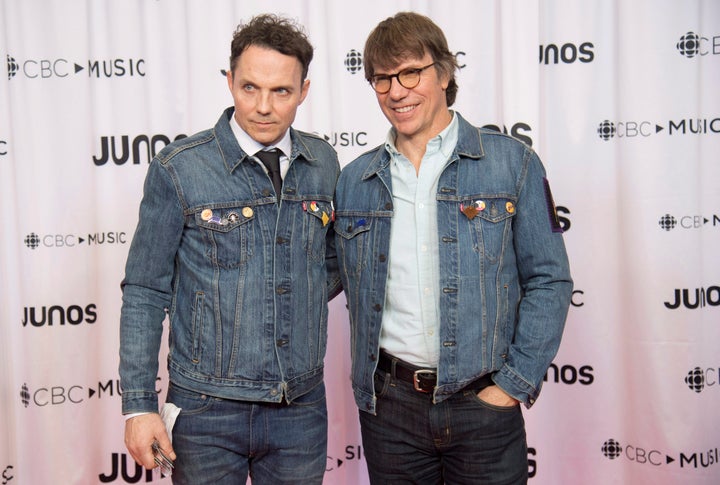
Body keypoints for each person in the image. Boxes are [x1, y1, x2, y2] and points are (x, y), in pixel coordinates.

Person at [334, 12, 573, 484]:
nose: (396, 91)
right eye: (382, 79)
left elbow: (550, 279)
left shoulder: (511, 163)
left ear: (444, 73)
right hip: (391, 412)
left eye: (410, 72)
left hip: (482, 406)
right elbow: (319, 275)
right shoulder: (354, 180)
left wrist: (511, 384)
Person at [119, 14, 340, 484]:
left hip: (299, 408)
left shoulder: (323, 163)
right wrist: (138, 405)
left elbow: (330, 264)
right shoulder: (180, 168)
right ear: (229, 82)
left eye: (281, 91)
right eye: (249, 87)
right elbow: (144, 289)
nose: (263, 106)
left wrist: (289, 294)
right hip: (205, 411)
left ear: (303, 91)